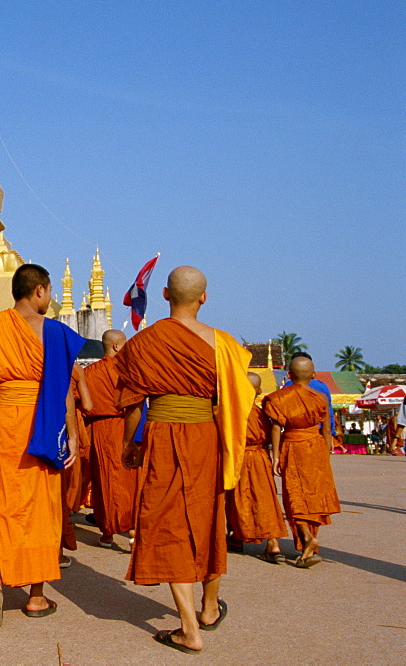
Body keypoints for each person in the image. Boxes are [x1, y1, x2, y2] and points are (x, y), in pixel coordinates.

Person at [116, 266, 254, 655]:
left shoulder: (145, 341)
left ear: (164, 295)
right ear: (204, 298)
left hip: (161, 433)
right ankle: (209, 608)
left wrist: (130, 442)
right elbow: (240, 399)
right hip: (207, 437)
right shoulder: (224, 344)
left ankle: (190, 628)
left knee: (167, 520)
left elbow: (131, 402)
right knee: (208, 515)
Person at [0, 264, 85, 628]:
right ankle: (36, 596)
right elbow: (64, 392)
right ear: (40, 291)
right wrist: (72, 435)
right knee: (41, 506)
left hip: (5, 419)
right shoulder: (56, 333)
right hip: (44, 420)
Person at [263, 356, 341, 568]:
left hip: (293, 446)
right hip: (315, 447)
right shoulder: (321, 397)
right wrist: (325, 457)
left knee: (295, 496)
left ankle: (307, 538)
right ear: (314, 375)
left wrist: (276, 456)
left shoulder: (279, 397)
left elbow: (276, 428)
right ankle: (310, 545)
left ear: (288, 375)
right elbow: (326, 430)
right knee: (315, 495)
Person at [225, 372, 288, 562]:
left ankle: (239, 536)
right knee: (265, 498)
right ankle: (271, 541)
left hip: (240, 457)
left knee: (238, 497)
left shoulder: (232, 411)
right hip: (261, 456)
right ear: (259, 391)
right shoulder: (261, 413)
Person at [84, 330, 138, 548]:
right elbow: (136, 402)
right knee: (122, 481)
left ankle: (107, 531)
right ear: (117, 346)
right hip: (123, 426)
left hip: (97, 429)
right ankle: (132, 529)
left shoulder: (88, 372)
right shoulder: (126, 371)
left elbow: (79, 401)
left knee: (104, 480)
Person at [60, 363, 92, 557]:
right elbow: (88, 405)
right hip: (69, 423)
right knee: (67, 481)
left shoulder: (32, 358)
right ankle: (58, 548)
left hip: (36, 419)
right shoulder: (75, 368)